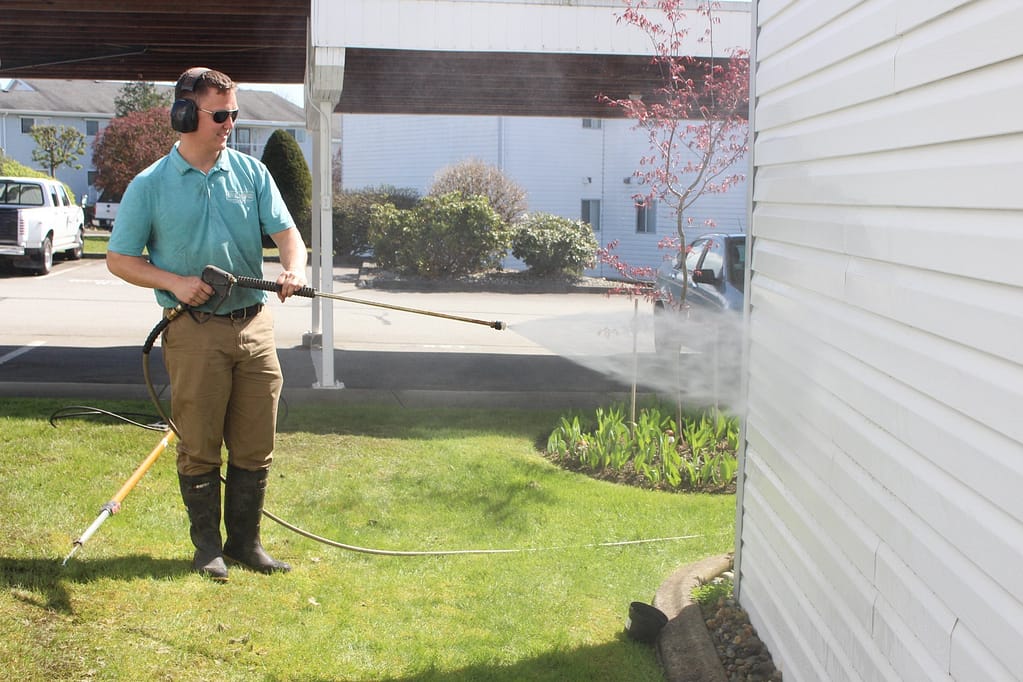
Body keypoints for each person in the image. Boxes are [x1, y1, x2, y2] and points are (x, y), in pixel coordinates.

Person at [106, 67, 308, 582]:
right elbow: (120, 258)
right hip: (193, 330)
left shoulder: (251, 173)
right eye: (220, 114)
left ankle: (246, 544)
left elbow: (289, 235)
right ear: (183, 114)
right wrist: (173, 282)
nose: (230, 123)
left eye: (234, 113)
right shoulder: (149, 185)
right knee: (198, 444)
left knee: (256, 442)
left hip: (254, 328)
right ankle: (207, 550)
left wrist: (292, 269)